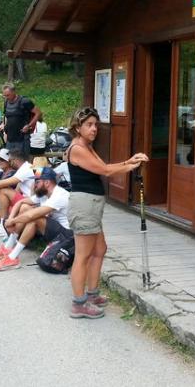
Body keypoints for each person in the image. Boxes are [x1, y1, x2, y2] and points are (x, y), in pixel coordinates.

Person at [66, 107, 148, 319]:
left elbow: (103, 166)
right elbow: (106, 171)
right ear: (77, 127)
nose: (94, 129)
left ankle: (92, 294)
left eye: (96, 125)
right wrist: (131, 166)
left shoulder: (87, 146)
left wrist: (130, 161)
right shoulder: (77, 148)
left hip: (91, 205)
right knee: (83, 255)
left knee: (100, 249)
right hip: (84, 205)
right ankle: (79, 303)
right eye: (89, 125)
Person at [0, 167, 72, 271]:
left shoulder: (59, 195)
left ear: (47, 183)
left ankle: (12, 258)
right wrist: (10, 219)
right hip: (53, 231)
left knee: (34, 218)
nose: (34, 184)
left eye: (37, 181)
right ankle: (8, 248)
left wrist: (12, 221)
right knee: (25, 207)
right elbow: (21, 203)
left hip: (66, 235)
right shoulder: (44, 193)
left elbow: (32, 215)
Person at [1, 83, 41, 157]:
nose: (6, 97)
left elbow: (38, 113)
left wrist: (29, 126)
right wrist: (4, 126)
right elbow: (6, 116)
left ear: (14, 92)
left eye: (8, 95)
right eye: (4, 95)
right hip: (10, 138)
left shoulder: (25, 101)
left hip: (22, 138)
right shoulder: (6, 102)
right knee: (9, 161)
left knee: (22, 161)